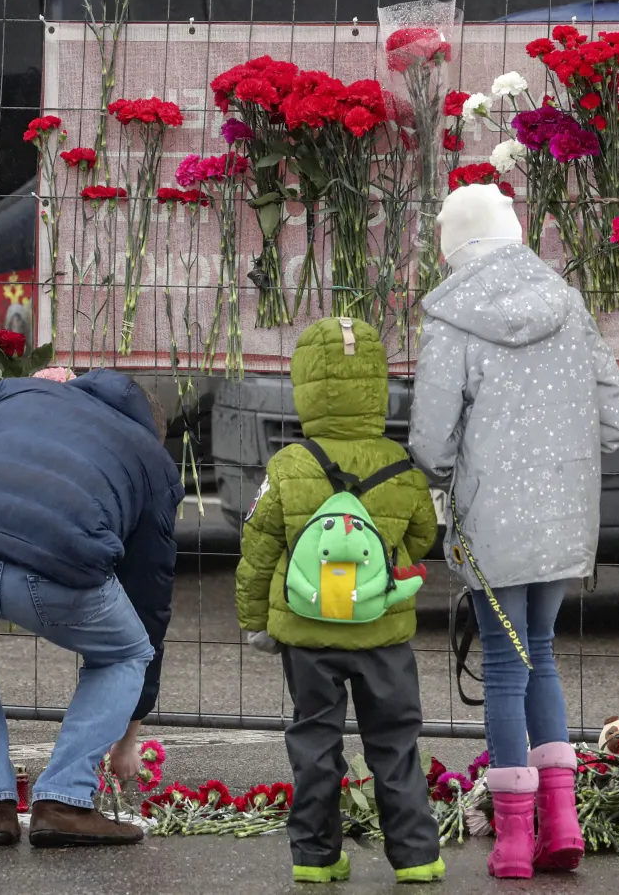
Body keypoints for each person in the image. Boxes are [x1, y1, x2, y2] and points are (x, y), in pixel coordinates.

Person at [408, 184, 619, 879]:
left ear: (454, 246)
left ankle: (511, 841)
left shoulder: (450, 318)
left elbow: (431, 443)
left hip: (491, 520)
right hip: (565, 514)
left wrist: (462, 468)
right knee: (542, 653)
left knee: (505, 667)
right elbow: (615, 420)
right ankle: (561, 823)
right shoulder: (568, 303)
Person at [0, 369, 182, 848]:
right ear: (154, 431)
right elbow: (149, 599)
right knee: (127, 653)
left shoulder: (17, 390)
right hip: (56, 565)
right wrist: (131, 728)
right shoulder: (152, 459)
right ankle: (65, 801)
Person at [237, 316, 445, 886]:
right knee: (394, 742)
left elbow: (258, 547)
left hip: (307, 633)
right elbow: (423, 537)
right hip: (382, 631)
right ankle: (415, 856)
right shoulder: (400, 465)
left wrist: (256, 620)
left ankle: (315, 856)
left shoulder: (289, 465)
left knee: (314, 741)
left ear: (305, 385)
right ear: (378, 386)